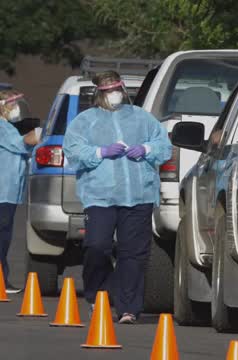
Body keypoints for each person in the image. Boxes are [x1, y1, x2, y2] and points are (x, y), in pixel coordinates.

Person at [63, 71, 172, 324]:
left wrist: (146, 149)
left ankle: (129, 308)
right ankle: (97, 295)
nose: (114, 94)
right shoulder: (85, 121)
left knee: (133, 253)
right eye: (109, 90)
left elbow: (163, 145)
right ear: (100, 93)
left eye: (117, 89)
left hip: (139, 195)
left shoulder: (142, 118)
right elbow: (73, 151)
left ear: (123, 89)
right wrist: (100, 152)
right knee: (96, 246)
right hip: (99, 196)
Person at [0, 90, 39, 293]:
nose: (16, 109)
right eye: (12, 105)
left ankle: (3, 279)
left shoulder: (9, 128)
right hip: (3, 191)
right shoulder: (2, 127)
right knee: (2, 235)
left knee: (5, 235)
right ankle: (2, 280)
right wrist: (41, 133)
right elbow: (23, 144)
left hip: (9, 191)